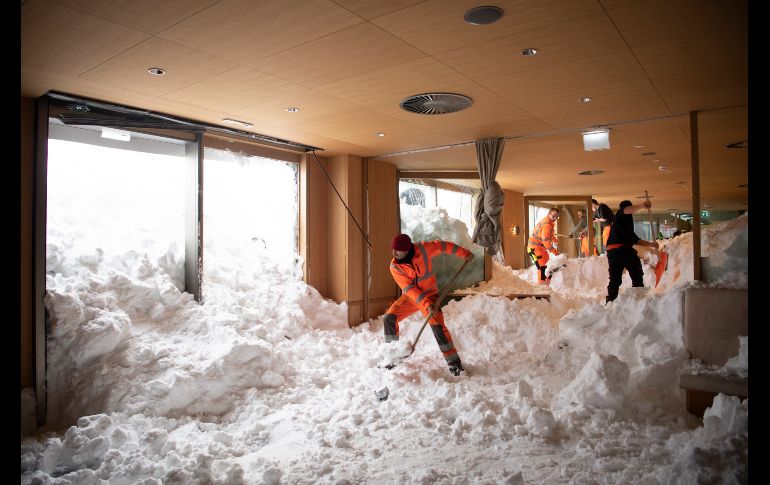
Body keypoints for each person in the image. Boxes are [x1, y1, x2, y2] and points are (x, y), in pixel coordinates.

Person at [384, 233, 474, 376]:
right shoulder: (395, 266)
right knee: (389, 318)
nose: (394, 253)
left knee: (438, 326)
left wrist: (464, 253)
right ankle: (392, 354)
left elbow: (443, 246)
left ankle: (454, 363)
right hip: (411, 298)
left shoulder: (424, 249)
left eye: (398, 250)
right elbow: (410, 289)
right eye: (393, 249)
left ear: (407, 250)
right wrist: (426, 304)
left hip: (430, 296)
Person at [605, 200, 659, 303]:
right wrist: (642, 205)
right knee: (636, 273)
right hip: (622, 250)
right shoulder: (620, 216)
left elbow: (637, 241)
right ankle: (638, 298)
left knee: (615, 279)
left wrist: (652, 244)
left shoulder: (624, 227)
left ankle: (610, 300)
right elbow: (625, 210)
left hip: (612, 253)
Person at [528, 208, 560, 285]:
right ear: (549, 214)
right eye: (553, 216)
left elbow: (550, 235)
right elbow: (546, 241)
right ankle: (542, 285)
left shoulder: (549, 223)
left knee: (548, 264)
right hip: (534, 248)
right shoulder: (547, 225)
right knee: (542, 267)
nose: (555, 218)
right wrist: (555, 252)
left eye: (557, 217)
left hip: (540, 248)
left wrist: (555, 241)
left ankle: (547, 282)